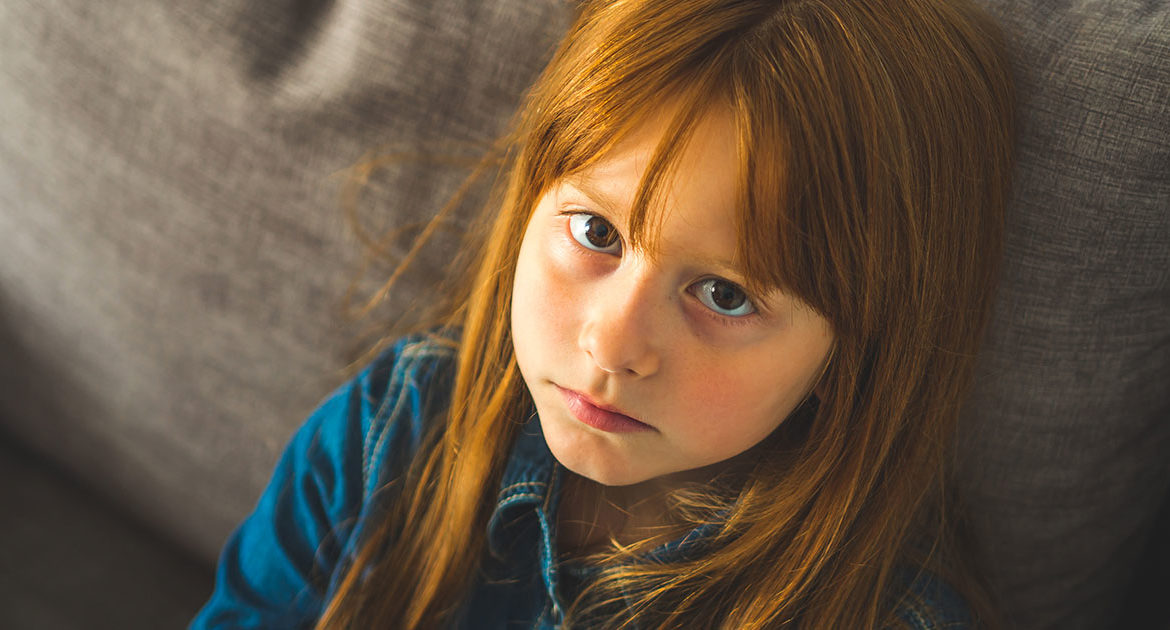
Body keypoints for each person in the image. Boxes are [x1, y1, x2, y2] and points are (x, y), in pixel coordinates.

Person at [191, 0, 1015, 627]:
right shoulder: (391, 433)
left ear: (859, 350)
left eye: (724, 295)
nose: (613, 343)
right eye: (596, 233)